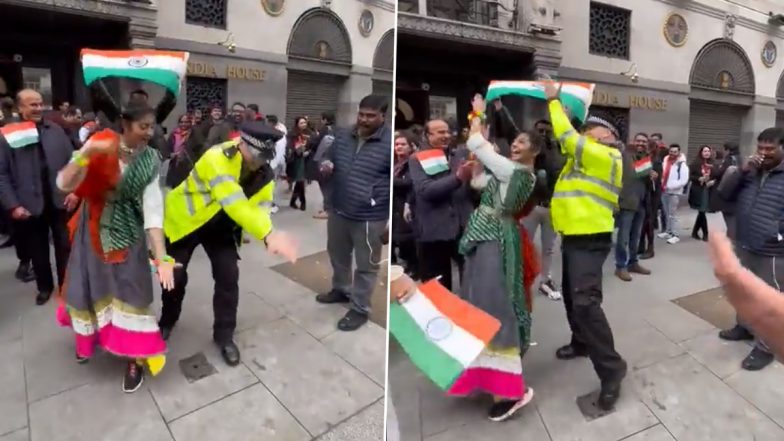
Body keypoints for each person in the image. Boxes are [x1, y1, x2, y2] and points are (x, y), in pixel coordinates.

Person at [55, 101, 173, 393]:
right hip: (92, 229)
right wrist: (87, 154)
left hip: (127, 234)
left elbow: (153, 213)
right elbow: (64, 183)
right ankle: (89, 340)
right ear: (125, 123)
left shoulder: (150, 160)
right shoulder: (100, 143)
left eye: (152, 126)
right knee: (89, 287)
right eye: (143, 126)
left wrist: (162, 257)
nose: (149, 132)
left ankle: (135, 359)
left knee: (133, 294)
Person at [159, 121, 298, 366]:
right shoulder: (217, 157)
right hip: (187, 221)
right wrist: (268, 234)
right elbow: (233, 200)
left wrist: (268, 233)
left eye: (265, 156)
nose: (259, 162)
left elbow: (261, 208)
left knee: (228, 277)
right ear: (241, 143)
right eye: (255, 154)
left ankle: (224, 336)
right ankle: (168, 320)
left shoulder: (264, 173)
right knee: (175, 276)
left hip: (221, 228)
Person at [446, 94, 538, 421]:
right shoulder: (511, 173)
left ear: (535, 151)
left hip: (494, 242)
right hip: (485, 238)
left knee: (493, 307)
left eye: (523, 142)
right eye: (515, 140)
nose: (515, 144)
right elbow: (479, 182)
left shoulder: (516, 172)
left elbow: (473, 139)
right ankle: (489, 375)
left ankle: (511, 389)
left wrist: (477, 114)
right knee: (478, 305)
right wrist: (477, 163)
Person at [544, 81, 627, 410]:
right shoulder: (584, 157)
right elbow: (561, 143)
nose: (585, 132)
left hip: (590, 238)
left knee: (585, 304)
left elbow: (567, 137)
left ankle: (612, 370)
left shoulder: (606, 156)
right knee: (571, 297)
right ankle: (581, 342)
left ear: (607, 136)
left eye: (591, 129)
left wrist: (554, 103)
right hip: (574, 235)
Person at [316, 95, 391, 331]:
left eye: (371, 116)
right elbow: (327, 157)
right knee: (337, 254)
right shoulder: (343, 135)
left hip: (371, 216)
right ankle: (340, 289)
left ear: (383, 116)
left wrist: (389, 221)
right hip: (339, 207)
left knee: (367, 265)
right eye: (362, 114)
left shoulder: (390, 143)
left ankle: (359, 309)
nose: (364, 119)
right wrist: (326, 165)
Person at [716, 127, 784, 371]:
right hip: (744, 241)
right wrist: (743, 171)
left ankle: (766, 347)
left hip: (773, 251)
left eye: (770, 148)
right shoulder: (750, 172)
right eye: (761, 148)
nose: (764, 153)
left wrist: (777, 232)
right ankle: (743, 327)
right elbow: (724, 193)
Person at [0, 89, 76, 305]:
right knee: (38, 250)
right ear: (20, 108)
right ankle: (44, 287)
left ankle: (67, 286)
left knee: (64, 246)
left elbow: (73, 162)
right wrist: (13, 205)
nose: (38, 108)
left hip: (59, 199)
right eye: (32, 104)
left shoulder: (56, 130)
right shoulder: (8, 135)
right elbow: (1, 174)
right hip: (29, 204)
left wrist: (74, 190)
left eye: (40, 103)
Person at [408, 118, 474, 291]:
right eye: (440, 132)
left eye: (447, 132)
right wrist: (458, 178)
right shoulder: (417, 159)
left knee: (471, 282)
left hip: (464, 229)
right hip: (434, 231)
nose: (446, 135)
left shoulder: (459, 155)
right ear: (427, 135)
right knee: (438, 289)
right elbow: (426, 190)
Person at [523, 119, 564, 300]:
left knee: (548, 247)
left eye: (547, 131)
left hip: (551, 206)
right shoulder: (530, 151)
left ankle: (545, 280)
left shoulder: (558, 150)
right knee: (524, 245)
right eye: (540, 131)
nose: (543, 134)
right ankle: (520, 279)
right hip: (531, 206)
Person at [615, 133, 652, 281]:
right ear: (632, 141)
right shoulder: (624, 155)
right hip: (626, 202)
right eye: (638, 140)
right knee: (623, 237)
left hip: (641, 203)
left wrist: (652, 176)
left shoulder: (645, 158)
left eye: (644, 141)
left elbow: (646, 181)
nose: (641, 143)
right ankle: (620, 266)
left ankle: (633, 262)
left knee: (635, 237)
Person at [391, 130, 418, 278]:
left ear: (410, 146)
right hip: (395, 205)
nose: (399, 147)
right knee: (399, 239)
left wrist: (390, 181)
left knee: (408, 239)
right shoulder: (395, 163)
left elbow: (409, 182)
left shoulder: (412, 163)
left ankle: (414, 266)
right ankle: (408, 264)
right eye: (396, 144)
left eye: (403, 144)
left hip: (406, 204)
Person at [658, 144, 689, 244]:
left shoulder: (682, 165)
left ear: (679, 152)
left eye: (675, 152)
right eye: (671, 151)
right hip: (664, 191)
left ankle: (675, 235)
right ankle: (668, 232)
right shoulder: (666, 161)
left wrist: (671, 186)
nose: (672, 153)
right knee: (667, 213)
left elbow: (684, 180)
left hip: (675, 193)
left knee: (673, 215)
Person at [688, 145, 719, 241]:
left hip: (708, 190)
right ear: (701, 152)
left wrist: (713, 181)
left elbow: (718, 175)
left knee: (702, 211)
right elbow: (690, 176)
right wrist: (698, 178)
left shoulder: (714, 164)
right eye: (704, 151)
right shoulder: (696, 163)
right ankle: (705, 233)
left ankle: (695, 232)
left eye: (708, 151)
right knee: (702, 211)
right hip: (698, 190)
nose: (706, 153)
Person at [715, 142, 741, 240]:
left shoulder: (728, 160)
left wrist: (715, 168)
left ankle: (731, 244)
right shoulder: (742, 159)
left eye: (723, 149)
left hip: (728, 195)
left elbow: (719, 173)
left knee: (730, 221)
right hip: (739, 195)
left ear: (727, 150)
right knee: (735, 221)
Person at [286, 116, 311, 211]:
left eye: (305, 122)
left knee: (300, 181)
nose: (304, 124)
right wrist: (301, 150)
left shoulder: (308, 133)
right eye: (301, 123)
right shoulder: (293, 134)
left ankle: (293, 201)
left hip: (305, 160)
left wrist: (308, 150)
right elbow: (294, 148)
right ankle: (303, 201)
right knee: (300, 180)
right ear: (297, 124)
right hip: (296, 160)